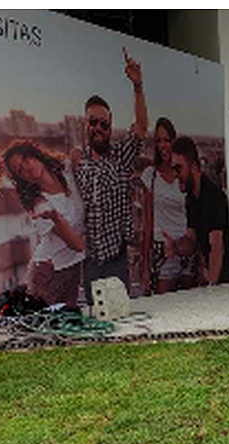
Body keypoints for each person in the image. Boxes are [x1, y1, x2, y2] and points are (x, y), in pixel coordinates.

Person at [75, 47, 148, 303]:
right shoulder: (78, 162)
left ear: (110, 124)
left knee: (119, 319)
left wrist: (137, 86)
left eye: (103, 123)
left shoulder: (121, 157)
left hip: (116, 258)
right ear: (86, 124)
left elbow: (140, 128)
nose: (98, 128)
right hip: (90, 261)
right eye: (93, 122)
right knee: (96, 320)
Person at [3, 142, 86, 308]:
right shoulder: (40, 206)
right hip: (48, 274)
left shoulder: (66, 169)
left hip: (72, 268)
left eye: (26, 159)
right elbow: (77, 245)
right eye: (20, 170)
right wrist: (56, 218)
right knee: (44, 329)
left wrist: (79, 152)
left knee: (67, 327)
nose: (27, 168)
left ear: (34, 154)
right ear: (20, 178)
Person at [166, 136, 229, 286]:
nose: (175, 174)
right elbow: (192, 241)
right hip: (210, 278)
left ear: (194, 167)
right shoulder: (191, 198)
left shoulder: (213, 197)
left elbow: (217, 246)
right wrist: (177, 246)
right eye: (173, 168)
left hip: (222, 283)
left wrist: (211, 285)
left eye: (178, 168)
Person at [139, 117, 194, 294]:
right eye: (159, 141)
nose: (163, 145)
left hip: (187, 249)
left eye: (167, 140)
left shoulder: (185, 175)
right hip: (162, 252)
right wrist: (146, 266)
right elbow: (147, 224)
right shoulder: (151, 176)